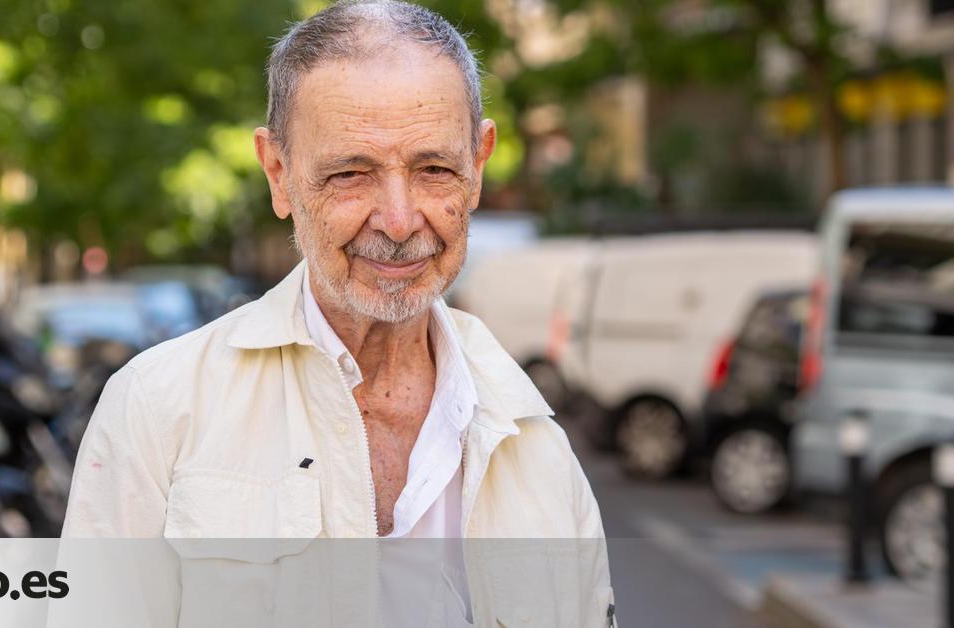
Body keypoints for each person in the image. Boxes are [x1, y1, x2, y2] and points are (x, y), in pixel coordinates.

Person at [62, 1, 613, 624]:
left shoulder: (534, 445)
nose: (400, 221)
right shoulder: (158, 408)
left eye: (434, 169)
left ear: (478, 166)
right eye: (352, 173)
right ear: (279, 173)